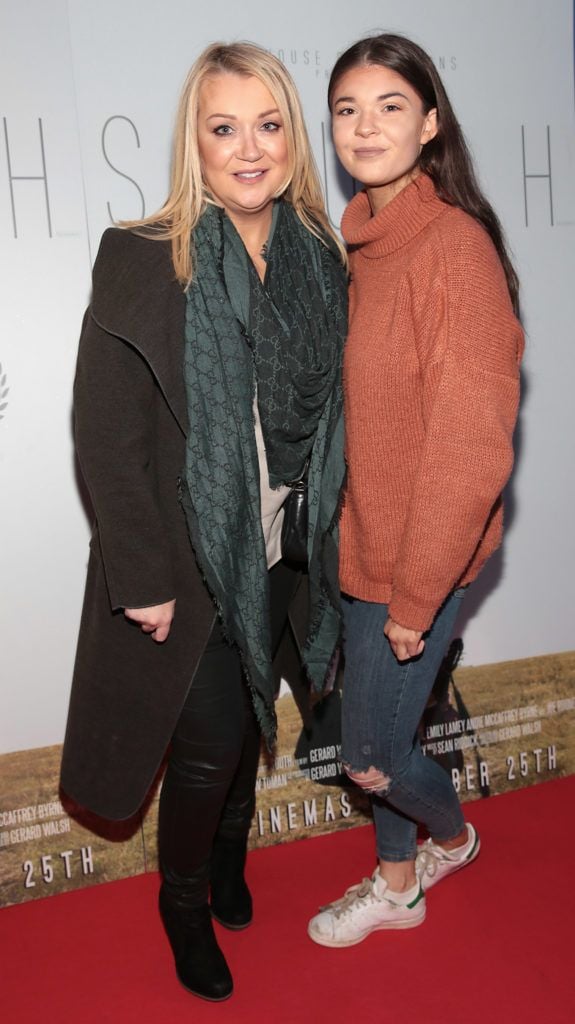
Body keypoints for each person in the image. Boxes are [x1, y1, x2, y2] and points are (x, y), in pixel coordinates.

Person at [60, 42, 348, 998]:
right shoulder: (142, 254)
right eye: (224, 128)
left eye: (268, 125)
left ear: (291, 137)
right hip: (186, 565)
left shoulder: (320, 259)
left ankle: (227, 860)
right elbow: (105, 435)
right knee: (209, 746)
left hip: (281, 557)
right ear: (196, 140)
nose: (249, 148)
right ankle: (183, 902)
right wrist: (138, 577)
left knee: (248, 729)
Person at [307, 33, 524, 948]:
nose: (365, 126)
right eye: (347, 109)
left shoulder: (452, 252)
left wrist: (418, 591)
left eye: (390, 106)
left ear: (429, 124)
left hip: (420, 559)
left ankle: (453, 837)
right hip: (368, 544)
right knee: (372, 743)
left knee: (369, 754)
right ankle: (397, 886)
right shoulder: (361, 245)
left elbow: (470, 448)